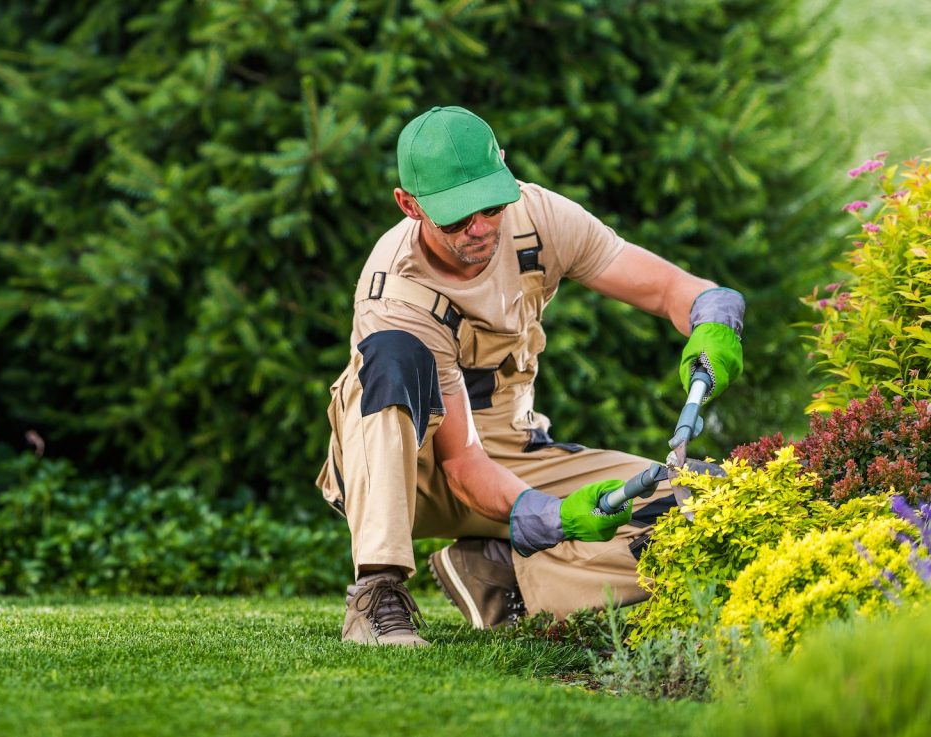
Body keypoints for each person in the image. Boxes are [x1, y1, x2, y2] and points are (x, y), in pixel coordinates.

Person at [315, 106, 744, 646]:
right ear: (409, 205)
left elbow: (665, 289)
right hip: (414, 470)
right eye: (455, 216)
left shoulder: (538, 218)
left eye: (490, 206)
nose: (479, 228)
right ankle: (377, 594)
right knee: (392, 356)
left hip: (514, 450)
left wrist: (711, 315)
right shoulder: (395, 291)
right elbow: (461, 463)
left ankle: (499, 573)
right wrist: (550, 514)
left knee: (693, 503)